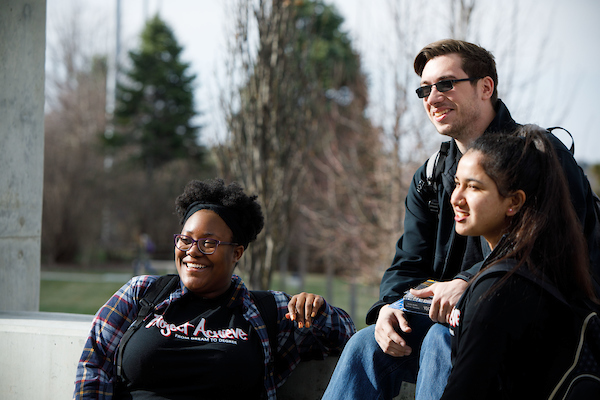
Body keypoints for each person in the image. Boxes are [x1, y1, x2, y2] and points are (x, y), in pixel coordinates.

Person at [322, 39, 599, 400]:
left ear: (486, 87)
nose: (432, 97)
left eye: (446, 84)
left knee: (443, 338)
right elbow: (407, 264)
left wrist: (468, 281)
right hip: (456, 323)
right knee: (365, 344)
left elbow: (552, 247)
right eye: (424, 89)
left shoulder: (539, 159)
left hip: (542, 334)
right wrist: (389, 309)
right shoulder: (432, 175)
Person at [73, 178, 356, 400]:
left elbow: (347, 336)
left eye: (208, 243)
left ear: (237, 253)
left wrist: (316, 310)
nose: (192, 252)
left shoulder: (269, 312)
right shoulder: (142, 294)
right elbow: (94, 364)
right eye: (185, 240)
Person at [440, 126, 597, 399]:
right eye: (456, 183)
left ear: (514, 201)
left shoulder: (500, 289)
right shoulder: (546, 267)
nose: (456, 198)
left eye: (474, 187)